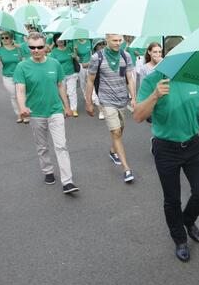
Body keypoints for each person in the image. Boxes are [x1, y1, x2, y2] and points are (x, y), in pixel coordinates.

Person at [133, 55, 199, 262]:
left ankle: (187, 221)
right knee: (172, 199)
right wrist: (154, 96)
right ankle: (179, 239)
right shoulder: (152, 80)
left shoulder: (196, 78)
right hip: (165, 148)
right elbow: (137, 116)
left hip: (192, 145)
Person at [14, 32, 78, 194]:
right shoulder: (22, 67)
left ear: (46, 48)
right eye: (32, 48)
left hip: (55, 111)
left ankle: (68, 182)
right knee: (42, 146)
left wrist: (67, 106)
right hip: (36, 113)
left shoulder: (54, 64)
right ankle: (48, 170)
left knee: (61, 145)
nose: (35, 50)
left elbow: (60, 85)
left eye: (39, 47)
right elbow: (20, 89)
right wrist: (22, 107)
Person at [85, 34, 137, 183]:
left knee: (120, 131)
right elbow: (90, 80)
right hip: (106, 101)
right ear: (106, 39)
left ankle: (113, 151)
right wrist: (88, 102)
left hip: (122, 100)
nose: (118, 43)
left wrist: (133, 97)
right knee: (115, 132)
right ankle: (126, 169)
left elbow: (129, 78)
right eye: (114, 40)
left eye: (120, 40)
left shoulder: (126, 56)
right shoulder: (97, 57)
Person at [0, 32, 26, 123]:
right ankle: (19, 114)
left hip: (20, 76)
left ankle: (24, 113)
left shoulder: (18, 49)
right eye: (2, 38)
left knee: (22, 94)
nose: (4, 39)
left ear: (11, 39)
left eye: (6, 38)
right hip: (8, 77)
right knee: (14, 96)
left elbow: (24, 62)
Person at [49, 36, 79, 117]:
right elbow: (51, 64)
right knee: (63, 93)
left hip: (71, 74)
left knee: (72, 92)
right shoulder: (54, 52)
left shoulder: (69, 48)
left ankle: (74, 109)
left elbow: (77, 58)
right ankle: (66, 108)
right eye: (58, 39)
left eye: (62, 39)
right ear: (55, 41)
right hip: (60, 76)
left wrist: (75, 54)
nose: (60, 41)